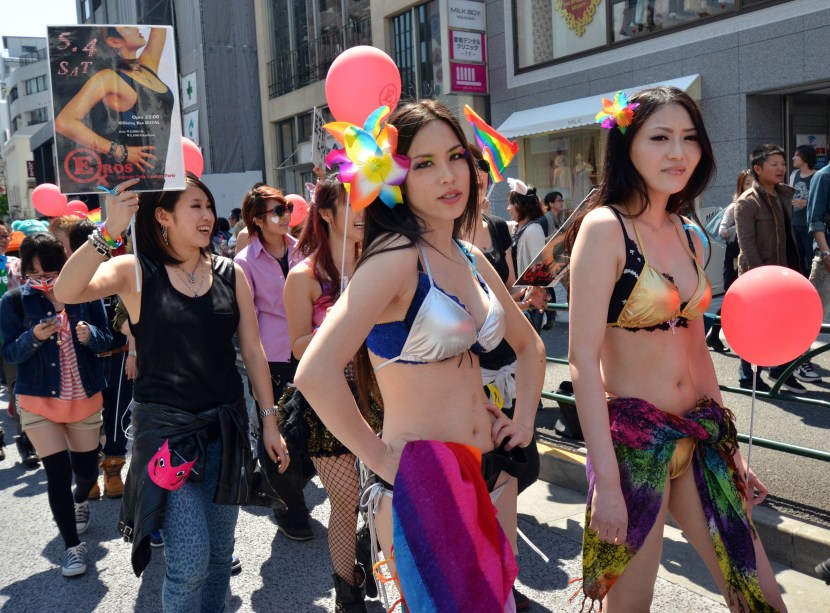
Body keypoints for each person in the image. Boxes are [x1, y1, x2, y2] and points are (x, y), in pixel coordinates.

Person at [294, 99, 546, 612]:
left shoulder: (469, 256)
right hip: (426, 482)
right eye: (425, 163)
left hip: (492, 470)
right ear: (395, 178)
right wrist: (378, 456)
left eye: (456, 157)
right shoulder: (396, 258)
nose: (449, 175)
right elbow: (314, 372)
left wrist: (522, 422)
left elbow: (531, 346)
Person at [566, 86, 786, 612]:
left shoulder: (689, 233)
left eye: (689, 138)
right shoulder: (604, 228)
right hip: (633, 446)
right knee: (630, 606)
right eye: (660, 137)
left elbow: (697, 349)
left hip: (701, 434)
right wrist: (607, 484)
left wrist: (732, 451)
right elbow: (581, 362)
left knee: (760, 598)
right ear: (628, 145)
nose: (678, 152)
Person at [54, 174, 289, 611]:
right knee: (190, 561)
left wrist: (270, 421)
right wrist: (109, 231)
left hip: (226, 431)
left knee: (220, 557)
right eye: (195, 206)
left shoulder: (231, 272)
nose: (207, 216)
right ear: (163, 216)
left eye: (208, 205)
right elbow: (66, 291)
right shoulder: (136, 271)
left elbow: (253, 352)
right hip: (167, 439)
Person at [283, 176, 383, 611]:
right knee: (345, 500)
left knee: (387, 492)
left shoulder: (381, 263)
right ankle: (348, 594)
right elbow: (297, 347)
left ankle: (371, 549)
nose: (363, 212)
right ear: (325, 212)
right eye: (352, 202)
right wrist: (340, 323)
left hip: (385, 394)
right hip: (328, 399)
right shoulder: (304, 276)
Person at [1, 233, 113, 577]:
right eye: (34, 275)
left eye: (49, 273)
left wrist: (90, 335)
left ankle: (80, 501)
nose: (43, 281)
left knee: (85, 471)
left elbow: (108, 339)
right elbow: (8, 353)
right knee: (57, 473)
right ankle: (72, 548)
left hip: (84, 396)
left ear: (64, 266)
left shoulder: (86, 291)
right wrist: (33, 337)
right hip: (38, 399)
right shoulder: (14, 301)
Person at [465, 145, 540, 610]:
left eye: (479, 178)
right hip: (447, 411)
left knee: (515, 471)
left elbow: (506, 295)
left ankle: (504, 583)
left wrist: (525, 299)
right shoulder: (408, 253)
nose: (474, 187)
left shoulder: (489, 235)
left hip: (504, 365)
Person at [234, 182, 314, 541]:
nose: (285, 216)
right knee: (276, 433)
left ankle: (284, 487)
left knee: (312, 432)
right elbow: (246, 318)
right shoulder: (244, 262)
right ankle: (289, 509)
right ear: (257, 219)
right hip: (271, 358)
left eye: (287, 209)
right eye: (277, 211)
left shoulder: (304, 250)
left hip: (309, 351)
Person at [54, 27, 174, 191]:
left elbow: (159, 29)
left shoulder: (147, 66)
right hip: (129, 181)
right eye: (126, 28)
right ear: (114, 41)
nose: (135, 28)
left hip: (159, 179)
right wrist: (119, 151)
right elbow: (64, 122)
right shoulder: (108, 78)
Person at [68, 219, 135, 499]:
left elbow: (133, 314)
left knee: (119, 414)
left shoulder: (118, 271)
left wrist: (133, 352)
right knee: (86, 417)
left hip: (120, 355)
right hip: (85, 359)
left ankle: (113, 470)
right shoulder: (71, 279)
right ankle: (89, 472)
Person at [734, 144, 804, 394]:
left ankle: (781, 370)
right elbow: (747, 244)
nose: (781, 168)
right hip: (759, 277)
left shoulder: (783, 194)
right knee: (757, 328)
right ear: (758, 168)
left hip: (785, 273)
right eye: (774, 164)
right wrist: (761, 278)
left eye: (782, 163)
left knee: (785, 326)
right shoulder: (747, 202)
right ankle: (747, 376)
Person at [705, 169, 753, 353]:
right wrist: (740, 229)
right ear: (741, 186)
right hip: (735, 261)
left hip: (752, 258)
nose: (751, 187)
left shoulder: (759, 204)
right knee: (732, 300)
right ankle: (714, 335)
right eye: (747, 184)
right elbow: (723, 230)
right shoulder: (735, 206)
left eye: (754, 183)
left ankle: (715, 336)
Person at [508, 182, 549, 332]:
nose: (508, 208)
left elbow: (540, 270)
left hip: (530, 302)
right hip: (520, 299)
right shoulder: (516, 228)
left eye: (511, 203)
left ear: (521, 206)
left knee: (530, 342)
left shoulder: (533, 230)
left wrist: (531, 295)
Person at [789, 145, 817, 276]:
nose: (793, 158)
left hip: (810, 225)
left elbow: (822, 199)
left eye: (797, 155)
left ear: (805, 157)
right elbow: (789, 194)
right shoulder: (794, 175)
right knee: (797, 258)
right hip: (795, 223)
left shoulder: (817, 176)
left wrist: (806, 202)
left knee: (811, 258)